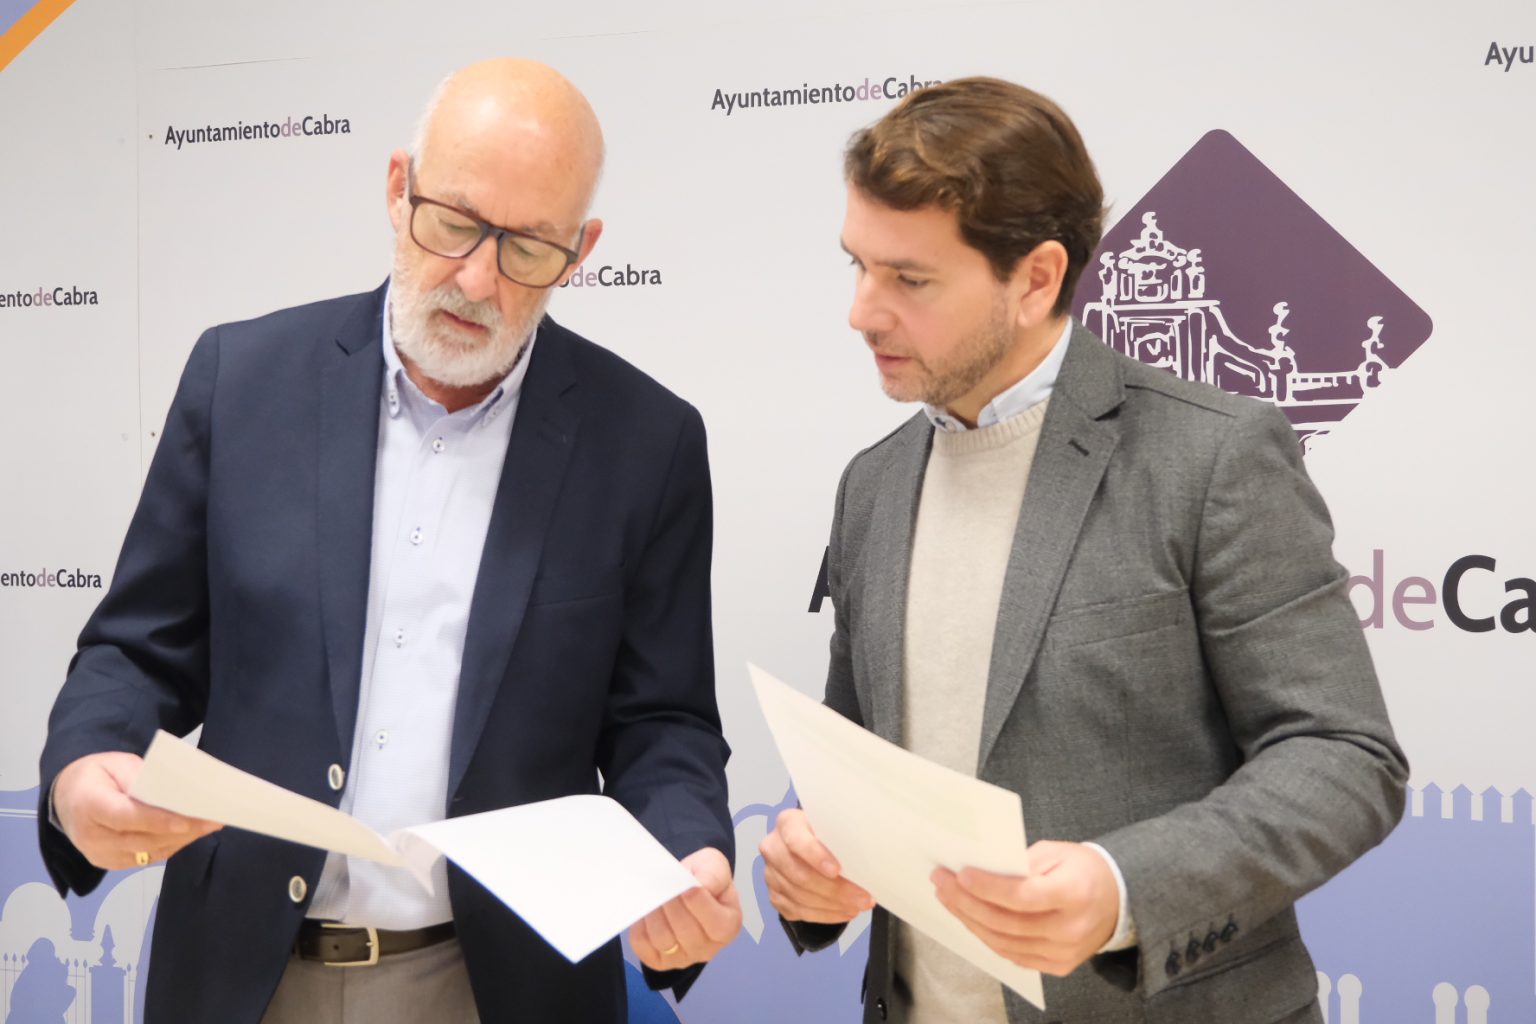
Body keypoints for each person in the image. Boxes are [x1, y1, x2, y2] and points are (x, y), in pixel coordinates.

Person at [38, 58, 739, 1023]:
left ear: (581, 251)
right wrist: (83, 765)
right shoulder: (242, 381)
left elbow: (662, 721)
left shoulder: (647, 442)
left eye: (529, 249)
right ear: (398, 187)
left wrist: (688, 850)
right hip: (243, 973)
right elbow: (137, 649)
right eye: (454, 223)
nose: (478, 279)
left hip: (498, 986)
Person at [760, 77, 1407, 1024]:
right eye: (857, 265)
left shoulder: (1211, 455)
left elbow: (1344, 757)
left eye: (909, 279)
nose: (862, 311)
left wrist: (1122, 889)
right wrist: (816, 864)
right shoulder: (873, 485)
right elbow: (859, 762)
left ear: (1036, 278)